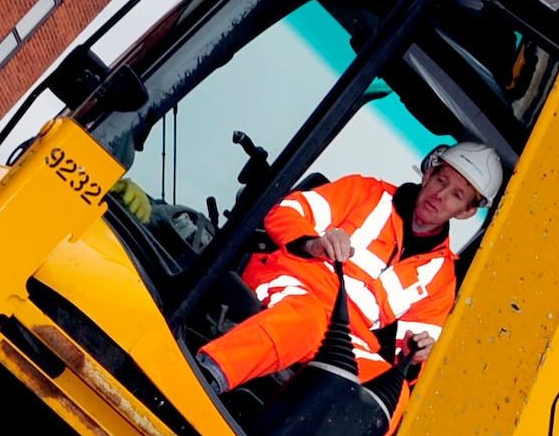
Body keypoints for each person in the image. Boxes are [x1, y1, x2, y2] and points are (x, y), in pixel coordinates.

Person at [195, 142, 503, 395]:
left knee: (391, 397)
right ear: (428, 173)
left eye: (457, 195)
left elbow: (412, 353)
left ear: (467, 213)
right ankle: (204, 379)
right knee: (309, 318)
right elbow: (285, 212)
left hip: (344, 335)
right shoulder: (366, 193)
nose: (440, 195)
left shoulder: (441, 277)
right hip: (287, 280)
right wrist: (314, 243)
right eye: (441, 180)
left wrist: (417, 352)